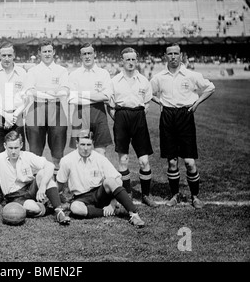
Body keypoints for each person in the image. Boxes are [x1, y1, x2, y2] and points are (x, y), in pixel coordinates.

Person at [0, 130, 71, 225]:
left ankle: (58, 211)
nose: (13, 151)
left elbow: (50, 166)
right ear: (5, 146)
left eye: (16, 148)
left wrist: (42, 187)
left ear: (21, 145)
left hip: (30, 187)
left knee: (42, 173)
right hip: (15, 196)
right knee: (33, 208)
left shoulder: (27, 156)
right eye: (10, 148)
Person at [151, 44, 215, 209]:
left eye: (176, 53)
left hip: (185, 116)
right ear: (165, 56)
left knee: (189, 162)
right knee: (172, 162)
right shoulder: (159, 77)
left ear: (181, 55)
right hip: (167, 117)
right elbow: (147, 92)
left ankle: (195, 196)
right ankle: (174, 195)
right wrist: (161, 103)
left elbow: (210, 88)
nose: (173, 56)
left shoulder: (191, 75)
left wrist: (197, 103)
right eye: (170, 54)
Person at [56, 130, 145, 228]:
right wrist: (53, 201)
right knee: (75, 208)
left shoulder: (100, 158)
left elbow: (118, 179)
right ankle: (110, 212)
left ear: (93, 144)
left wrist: (112, 203)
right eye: (82, 144)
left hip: (100, 193)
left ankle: (134, 215)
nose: (85, 148)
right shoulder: (67, 160)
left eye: (89, 145)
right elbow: (60, 183)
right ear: (77, 144)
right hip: (81, 197)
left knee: (110, 181)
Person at [108, 47, 158, 207]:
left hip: (138, 118)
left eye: (133, 59)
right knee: (123, 159)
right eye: (127, 59)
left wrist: (138, 116)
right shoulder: (114, 81)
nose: (130, 62)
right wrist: (119, 119)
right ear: (122, 61)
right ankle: (127, 192)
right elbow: (110, 106)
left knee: (144, 160)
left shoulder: (143, 80)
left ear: (137, 60)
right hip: (121, 117)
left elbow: (148, 103)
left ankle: (146, 195)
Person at [24, 39, 69, 174]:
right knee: (35, 153)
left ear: (54, 52)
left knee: (57, 152)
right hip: (37, 109)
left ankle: (57, 186)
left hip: (56, 109)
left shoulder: (62, 70)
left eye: (50, 51)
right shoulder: (33, 71)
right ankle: (36, 186)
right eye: (44, 51)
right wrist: (52, 93)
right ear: (39, 53)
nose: (47, 54)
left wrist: (42, 92)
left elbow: (64, 91)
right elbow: (30, 91)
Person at [0, 42, 28, 156]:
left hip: (16, 117)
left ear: (14, 55)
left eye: (9, 55)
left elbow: (26, 99)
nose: (7, 58)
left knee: (18, 155)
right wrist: (5, 115)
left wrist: (14, 115)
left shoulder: (22, 73)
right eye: (4, 55)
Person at [68, 43, 113, 156]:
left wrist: (82, 94)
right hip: (79, 113)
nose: (87, 56)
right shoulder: (74, 75)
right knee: (80, 151)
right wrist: (96, 96)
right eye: (84, 54)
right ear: (80, 56)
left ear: (95, 54)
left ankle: (98, 174)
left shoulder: (103, 73)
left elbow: (106, 96)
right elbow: (72, 98)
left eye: (89, 53)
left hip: (99, 112)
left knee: (100, 151)